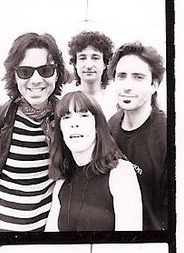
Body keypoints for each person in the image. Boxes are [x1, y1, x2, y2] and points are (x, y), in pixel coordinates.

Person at [0, 32, 68, 232]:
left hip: (44, 235)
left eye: (45, 70)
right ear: (14, 75)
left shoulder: (66, 119)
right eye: (25, 72)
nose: (36, 80)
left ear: (57, 73)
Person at [45, 91, 142, 231]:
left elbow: (129, 244)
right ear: (60, 129)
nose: (74, 124)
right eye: (66, 118)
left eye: (84, 116)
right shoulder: (62, 180)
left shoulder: (121, 173)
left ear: (97, 126)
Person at [107, 41, 167, 230]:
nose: (127, 86)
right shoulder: (111, 125)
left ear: (154, 85)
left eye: (138, 77)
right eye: (121, 76)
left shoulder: (168, 136)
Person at [66, 30, 117, 120]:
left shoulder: (115, 98)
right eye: (82, 58)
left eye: (95, 58)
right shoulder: (66, 97)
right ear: (75, 63)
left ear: (105, 63)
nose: (89, 65)